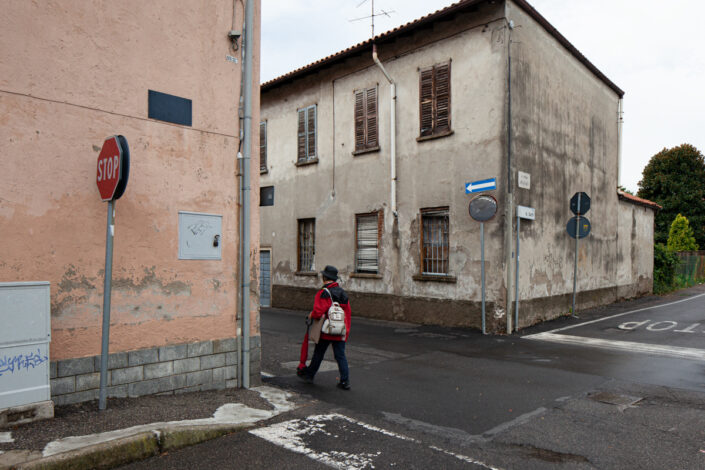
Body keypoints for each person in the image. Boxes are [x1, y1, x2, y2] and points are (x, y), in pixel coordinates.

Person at [298, 265, 352, 390]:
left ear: (324, 277)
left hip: (326, 331)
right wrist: (346, 331)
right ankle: (345, 381)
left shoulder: (324, 293)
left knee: (319, 353)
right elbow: (347, 314)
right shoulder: (343, 294)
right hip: (339, 330)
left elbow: (318, 311)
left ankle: (309, 375)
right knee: (340, 356)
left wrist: (311, 314)